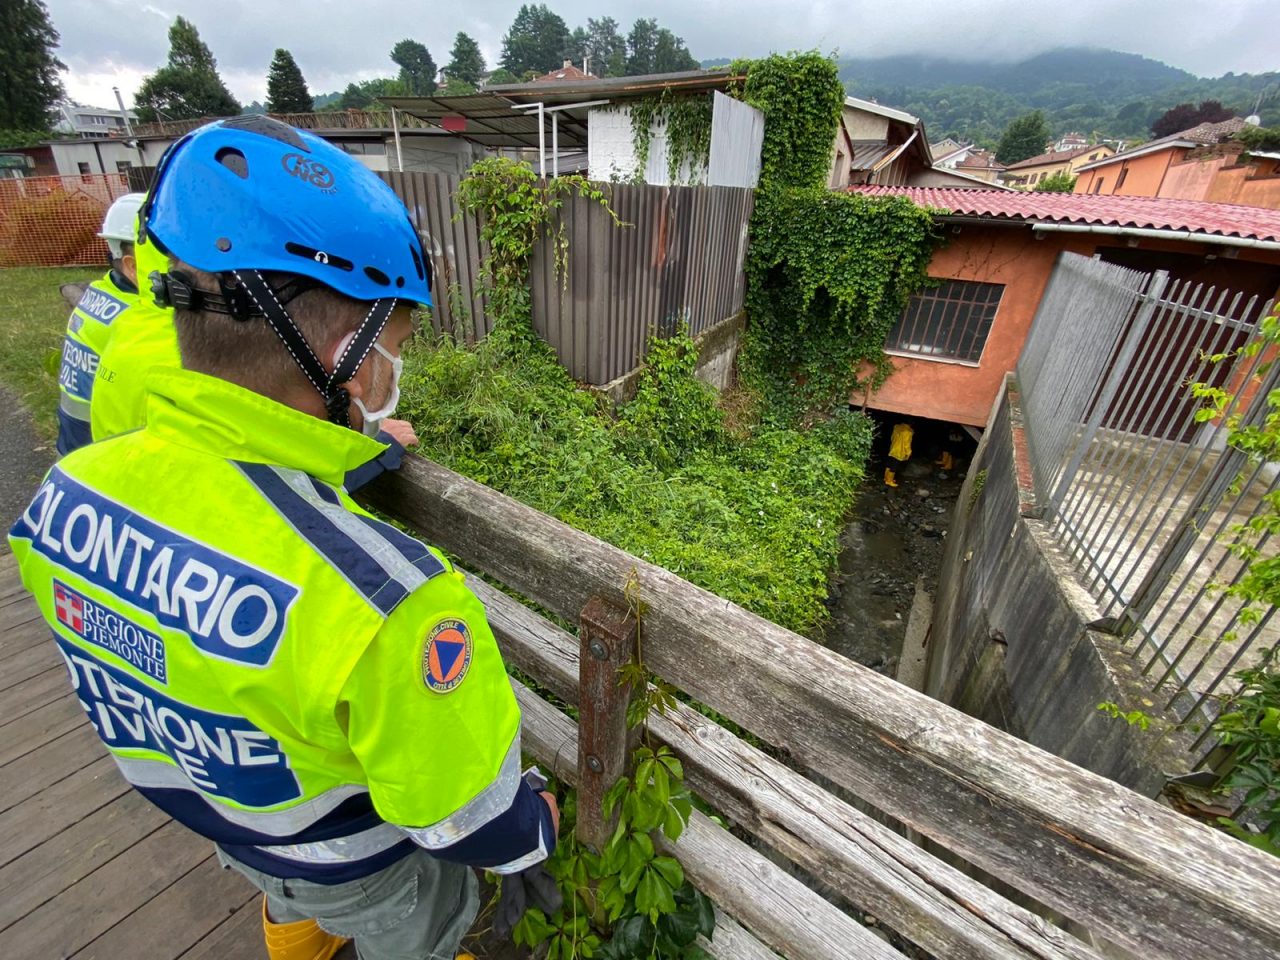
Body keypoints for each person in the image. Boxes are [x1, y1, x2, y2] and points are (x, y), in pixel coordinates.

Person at [8, 115, 558, 960]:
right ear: (346, 352)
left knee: (288, 900)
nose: (393, 371)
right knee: (434, 932)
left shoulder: (64, 498)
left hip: (226, 823)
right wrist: (536, 822)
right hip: (369, 874)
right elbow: (469, 824)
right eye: (396, 347)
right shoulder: (394, 603)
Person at [89, 199, 416, 492]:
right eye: (398, 346)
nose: (398, 360)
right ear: (350, 362)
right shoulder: (362, 562)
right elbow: (274, 496)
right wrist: (376, 456)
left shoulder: (67, 484)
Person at [55, 193, 146, 456]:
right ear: (131, 265)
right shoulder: (132, 320)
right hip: (101, 453)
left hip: (73, 443)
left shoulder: (99, 292)